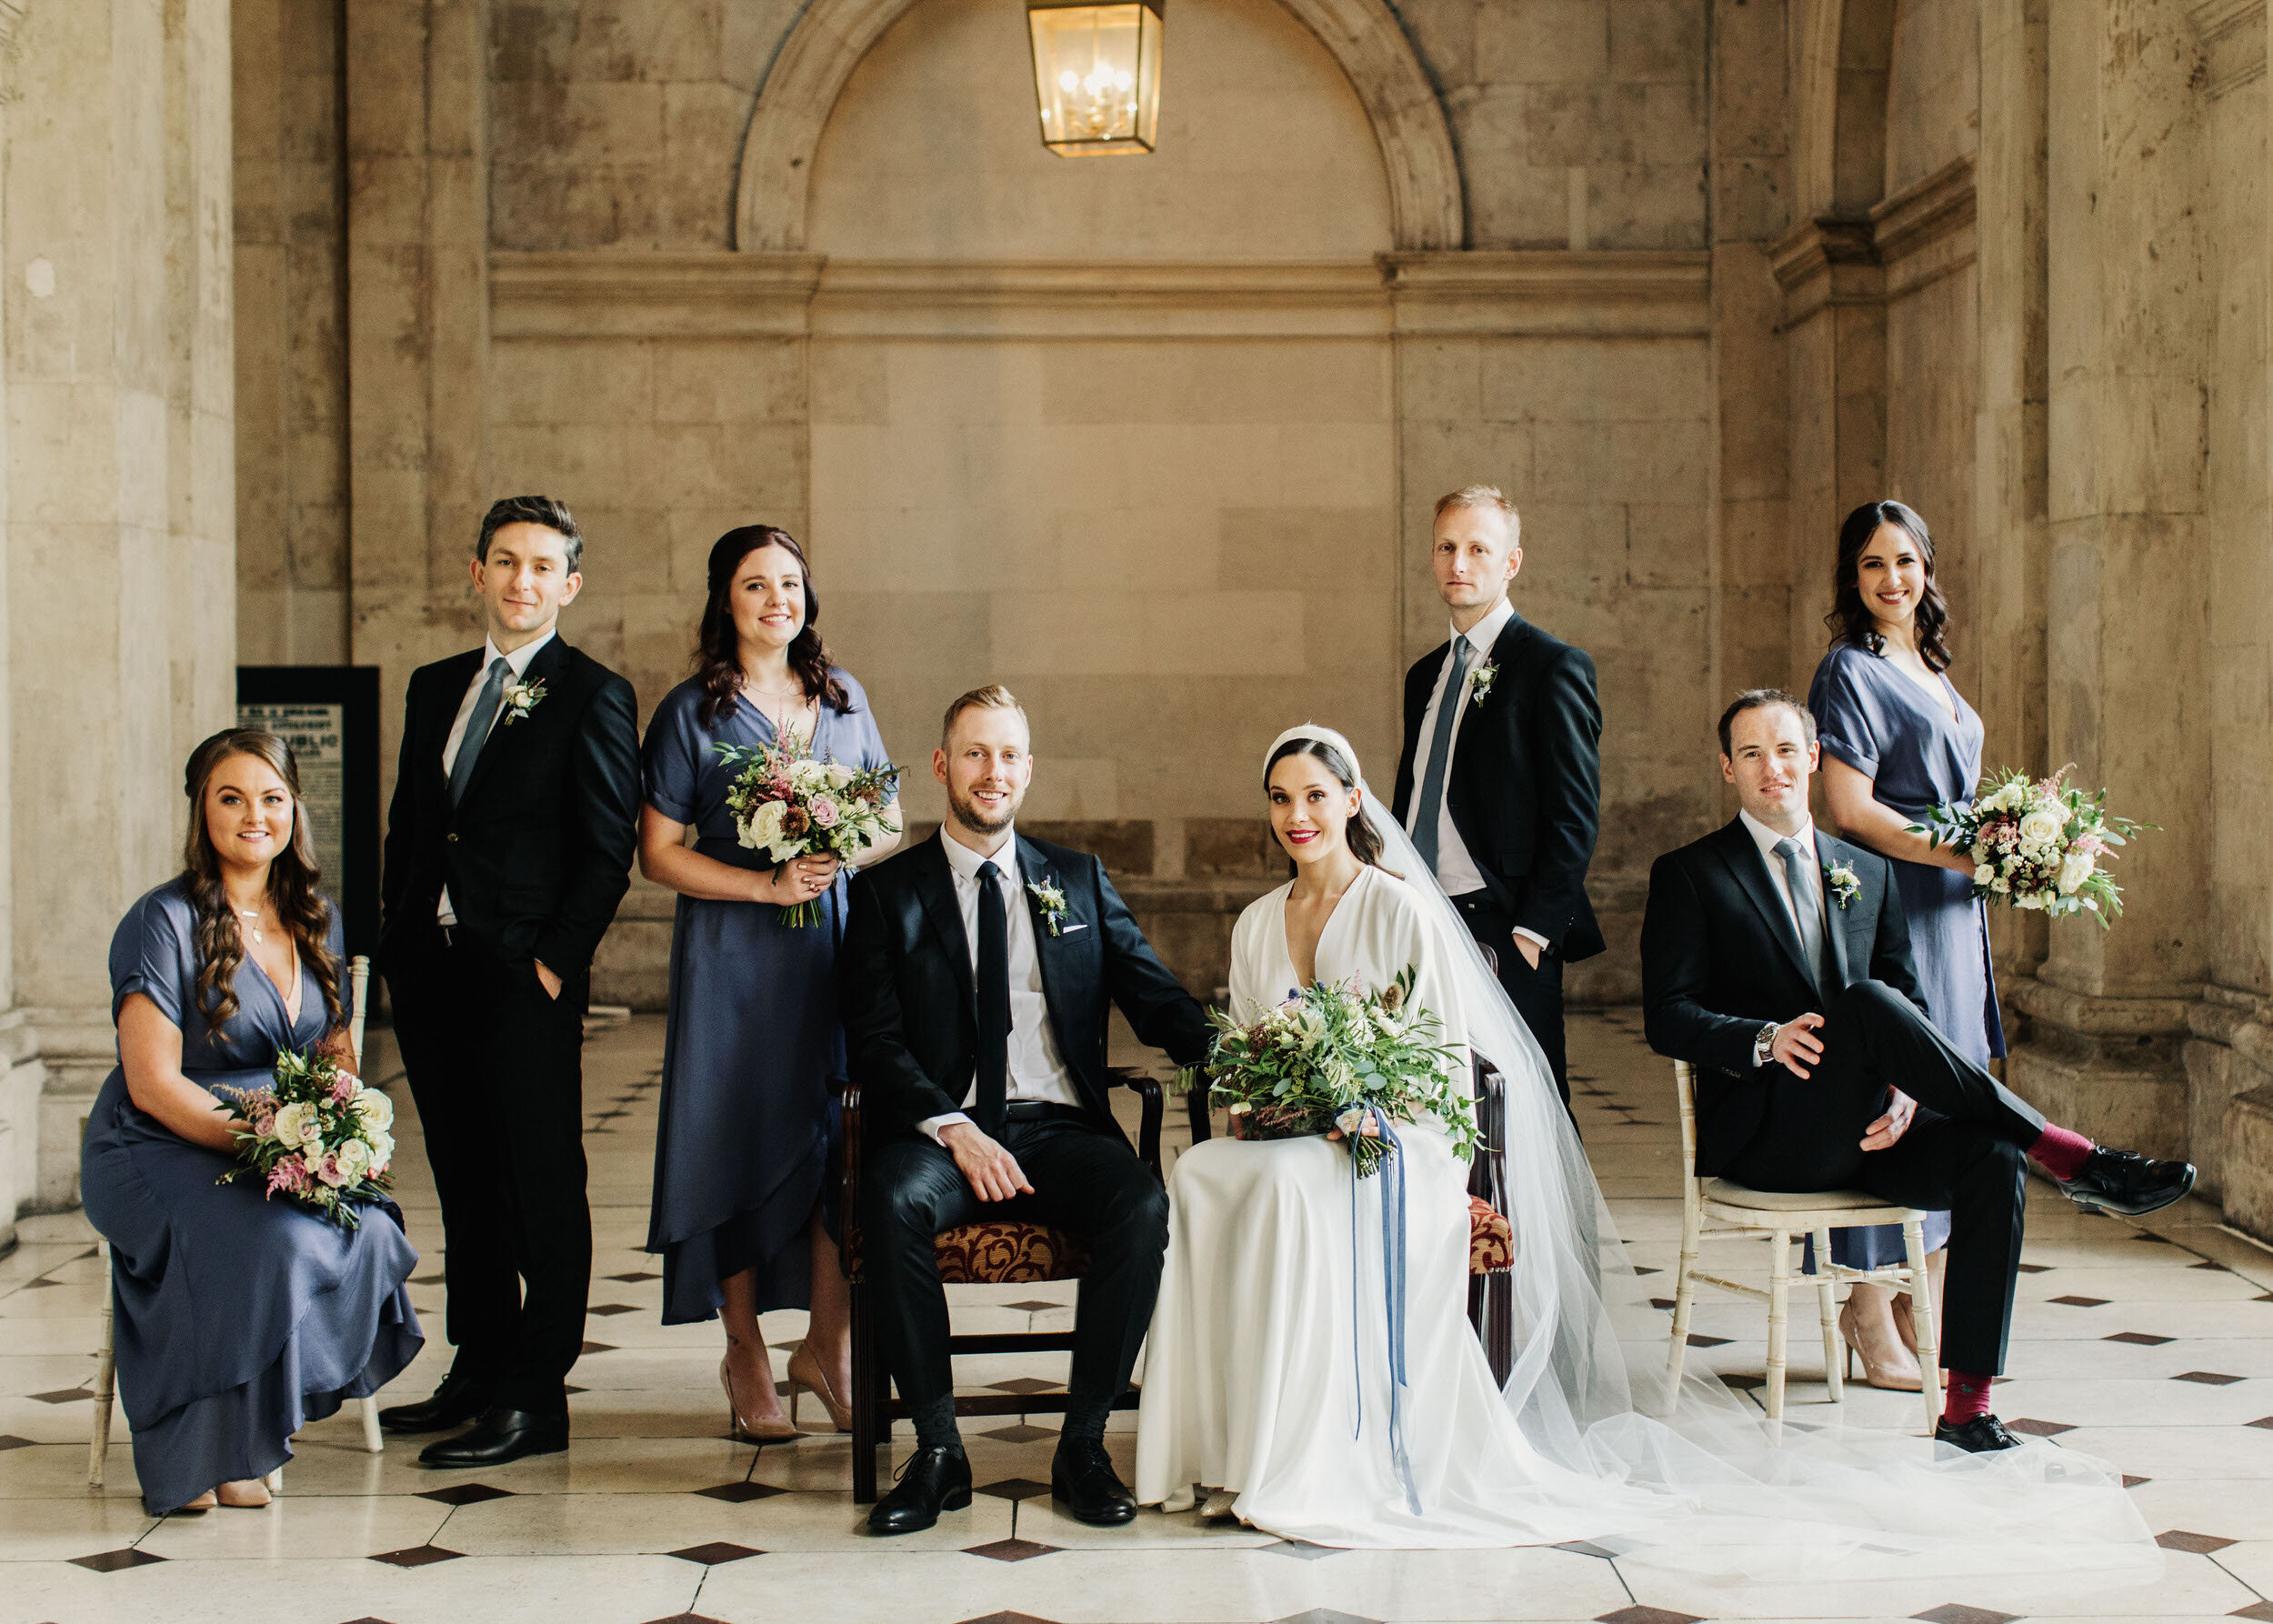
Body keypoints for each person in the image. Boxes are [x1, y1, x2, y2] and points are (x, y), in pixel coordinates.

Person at [1640, 688, 2196, 1452]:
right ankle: (2073, 1155)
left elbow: (1914, 1004)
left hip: (1875, 1130)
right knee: (1866, 1001)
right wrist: (1765, 1038)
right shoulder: (1690, 873)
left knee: (1992, 1156)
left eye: (1787, 750)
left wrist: (1905, 1089)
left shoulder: (1865, 869)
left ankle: (1966, 1406)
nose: (1773, 768)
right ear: (1727, 769)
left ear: (1813, 760)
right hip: (1774, 1134)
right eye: (1752, 754)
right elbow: (1666, 1014)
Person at [1136, 727, 1637, 1547]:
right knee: (1198, 1174)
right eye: (1281, 799)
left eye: (1314, 796)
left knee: (1286, 1184)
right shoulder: (1257, 922)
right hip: (1296, 1137)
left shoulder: (1398, 905)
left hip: (1401, 1141)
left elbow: (1441, 1066)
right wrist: (1274, 1099)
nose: (1297, 815)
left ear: (1352, 801)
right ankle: (1228, 1448)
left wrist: (1363, 1109)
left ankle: (1302, 1454)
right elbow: (1250, 1056)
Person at [839, 686, 1212, 1536]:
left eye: (1008, 755)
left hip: (1061, 1126)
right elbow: (874, 1039)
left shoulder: (1075, 879)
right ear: (941, 765)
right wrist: (954, 1127)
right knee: (890, 1201)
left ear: (1030, 769)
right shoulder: (886, 892)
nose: (992, 772)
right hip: (943, 1131)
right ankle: (938, 1453)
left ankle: (1082, 1446)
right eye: (974, 753)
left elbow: (1155, 999)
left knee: (1142, 1205)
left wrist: (1243, 1057)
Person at [80, 729, 422, 1516]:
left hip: (281, 1139)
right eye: (230, 798)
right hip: (158, 1140)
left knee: (366, 1229)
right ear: (202, 811)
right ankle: (197, 1448)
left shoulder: (316, 915)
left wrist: (334, 1132)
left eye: (271, 798)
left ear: (294, 810)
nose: (253, 816)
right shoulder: (161, 920)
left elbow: (334, 1054)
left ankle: (248, 1434)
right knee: (270, 1239)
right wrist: (270, 1142)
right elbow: (155, 1084)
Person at [376, 495, 641, 1468]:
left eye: (541, 565)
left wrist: (550, 963)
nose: (521, 580)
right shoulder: (431, 683)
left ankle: (536, 1394)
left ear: (569, 584)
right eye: (504, 560)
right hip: (432, 972)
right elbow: (414, 826)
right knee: (463, 1179)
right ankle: (478, 1366)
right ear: (476, 573)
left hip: (523, 977)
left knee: (539, 1183)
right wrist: (394, 936)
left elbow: (609, 848)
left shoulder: (593, 694)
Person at [639, 526, 900, 1439]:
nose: (775, 599)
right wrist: (763, 879)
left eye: (789, 582)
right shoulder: (690, 712)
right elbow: (658, 853)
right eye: (755, 584)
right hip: (731, 958)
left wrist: (833, 843)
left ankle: (826, 1343)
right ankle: (743, 1344)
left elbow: (891, 821)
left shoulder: (843, 696)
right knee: (735, 1140)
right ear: (725, 599)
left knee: (837, 1138)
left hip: (826, 949)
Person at [1806, 499, 1995, 1389]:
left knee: (1960, 1099)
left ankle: (1925, 1299)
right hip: (1900, 909)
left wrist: (2013, 849)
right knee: (1896, 1096)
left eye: (1905, 561)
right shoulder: (1851, 670)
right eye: (1873, 565)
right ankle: (1866, 1306)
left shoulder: (1930, 668)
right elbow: (1844, 808)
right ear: (1852, 578)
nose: (1892, 580)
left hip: (1956, 915)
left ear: (1927, 566)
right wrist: (1963, 849)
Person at [1391, 486, 1601, 1108]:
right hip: (1425, 919)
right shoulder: (1424, 675)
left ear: (1511, 562)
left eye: (1478, 549)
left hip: (1507, 923)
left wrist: (1533, 932)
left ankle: (1547, 1216)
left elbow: (1574, 815)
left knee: (1531, 1108)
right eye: (1446, 547)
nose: (1459, 564)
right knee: (1431, 1104)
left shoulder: (1552, 666)